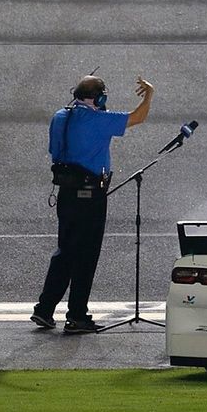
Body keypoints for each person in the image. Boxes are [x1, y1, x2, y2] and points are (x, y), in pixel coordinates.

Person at [31, 75, 154, 333]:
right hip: (89, 195)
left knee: (64, 252)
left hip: (66, 193)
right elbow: (138, 117)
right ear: (97, 98)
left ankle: (44, 308)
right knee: (86, 256)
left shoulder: (59, 117)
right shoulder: (96, 120)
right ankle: (77, 316)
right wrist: (149, 95)